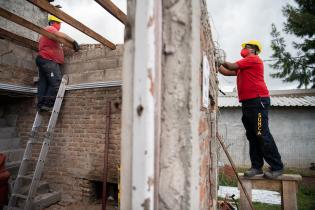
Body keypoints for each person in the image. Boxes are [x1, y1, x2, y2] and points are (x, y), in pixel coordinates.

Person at [218, 40, 284, 179]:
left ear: (253, 49)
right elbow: (226, 71)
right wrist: (216, 63)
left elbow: (230, 65)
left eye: (246, 47)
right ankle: (256, 167)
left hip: (258, 102)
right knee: (253, 136)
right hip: (248, 103)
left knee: (261, 133)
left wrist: (219, 58)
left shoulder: (253, 59)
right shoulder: (243, 67)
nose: (243, 50)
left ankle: (277, 167)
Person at [36, 15, 80, 112]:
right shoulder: (49, 28)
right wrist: (74, 41)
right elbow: (62, 35)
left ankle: (41, 104)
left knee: (44, 83)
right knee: (56, 82)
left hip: (43, 60)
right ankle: (47, 104)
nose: (60, 25)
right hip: (48, 60)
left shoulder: (47, 35)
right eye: (59, 23)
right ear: (53, 22)